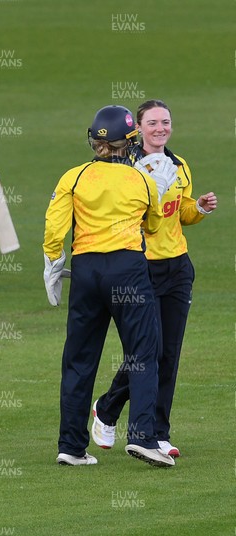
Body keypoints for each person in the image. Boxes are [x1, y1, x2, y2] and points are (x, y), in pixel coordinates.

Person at [43, 104, 178, 468]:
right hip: (128, 271)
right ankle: (144, 438)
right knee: (142, 353)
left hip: (85, 271)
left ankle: (71, 446)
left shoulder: (74, 176)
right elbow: (151, 225)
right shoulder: (142, 180)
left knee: (79, 359)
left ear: (95, 141)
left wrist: (53, 264)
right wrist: (158, 191)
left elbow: (55, 228)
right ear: (130, 140)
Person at [92, 99, 217, 457]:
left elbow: (179, 213)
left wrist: (200, 209)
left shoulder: (178, 166)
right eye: (152, 123)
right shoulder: (126, 168)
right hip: (139, 266)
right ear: (138, 129)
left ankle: (158, 433)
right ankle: (110, 407)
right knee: (147, 351)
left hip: (177, 267)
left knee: (169, 354)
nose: (160, 128)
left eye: (166, 122)